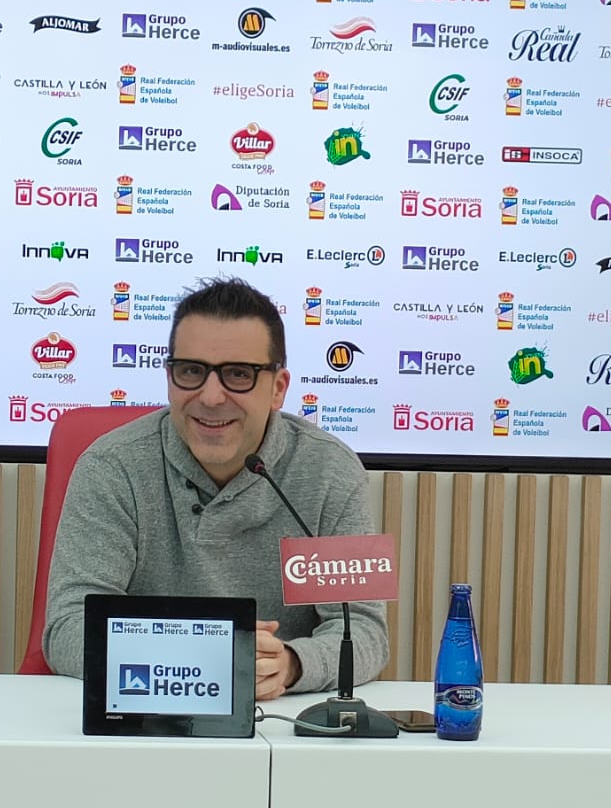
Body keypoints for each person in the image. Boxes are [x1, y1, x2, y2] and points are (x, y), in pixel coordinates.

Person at [42, 277, 389, 700]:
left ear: (278, 388)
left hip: (281, 717)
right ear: (170, 377)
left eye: (238, 375)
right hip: (141, 717)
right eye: (191, 371)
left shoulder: (329, 470)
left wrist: (291, 664)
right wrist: (206, 657)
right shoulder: (112, 466)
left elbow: (364, 631)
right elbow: (68, 628)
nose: (209, 396)